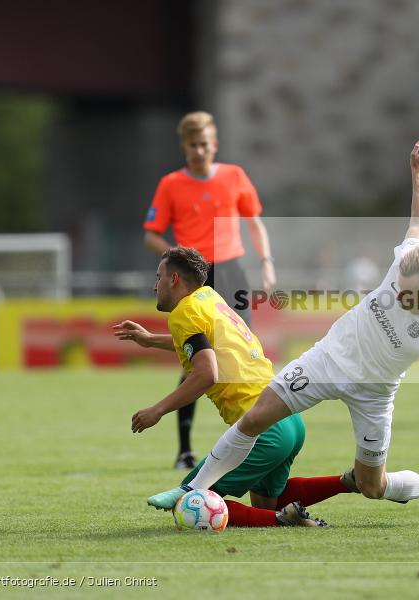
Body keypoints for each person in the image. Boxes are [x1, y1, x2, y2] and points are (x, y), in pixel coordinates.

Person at [145, 140, 419, 528]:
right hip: (328, 358)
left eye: (409, 294)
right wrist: (417, 173)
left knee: (372, 485)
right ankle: (192, 488)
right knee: (254, 418)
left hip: (375, 393)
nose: (398, 293)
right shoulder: (407, 263)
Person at [114, 247, 353, 528]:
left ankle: (284, 518)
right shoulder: (210, 299)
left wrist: (158, 410)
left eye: (159, 277)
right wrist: (150, 339)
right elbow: (203, 343)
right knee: (266, 503)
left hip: (261, 428)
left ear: (174, 279)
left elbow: (206, 374)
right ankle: (348, 483)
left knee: (189, 500)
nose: (155, 285)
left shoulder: (182, 313)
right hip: (289, 419)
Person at [142, 111, 277, 470]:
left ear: (214, 145)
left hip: (232, 271)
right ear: (184, 148)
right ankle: (184, 449)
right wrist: (176, 259)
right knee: (196, 358)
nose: (199, 151)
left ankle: (255, 432)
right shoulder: (171, 183)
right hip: (196, 276)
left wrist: (266, 262)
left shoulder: (234, 176)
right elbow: (151, 233)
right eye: (192, 146)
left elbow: (255, 222)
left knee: (242, 350)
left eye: (205, 144)